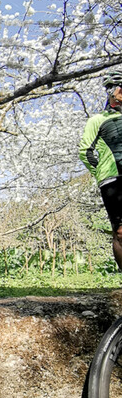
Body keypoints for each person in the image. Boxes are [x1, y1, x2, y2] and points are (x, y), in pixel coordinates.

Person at [79, 71, 122, 271]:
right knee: (120, 231)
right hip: (112, 180)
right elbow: (85, 151)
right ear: (112, 92)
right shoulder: (97, 120)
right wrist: (101, 173)